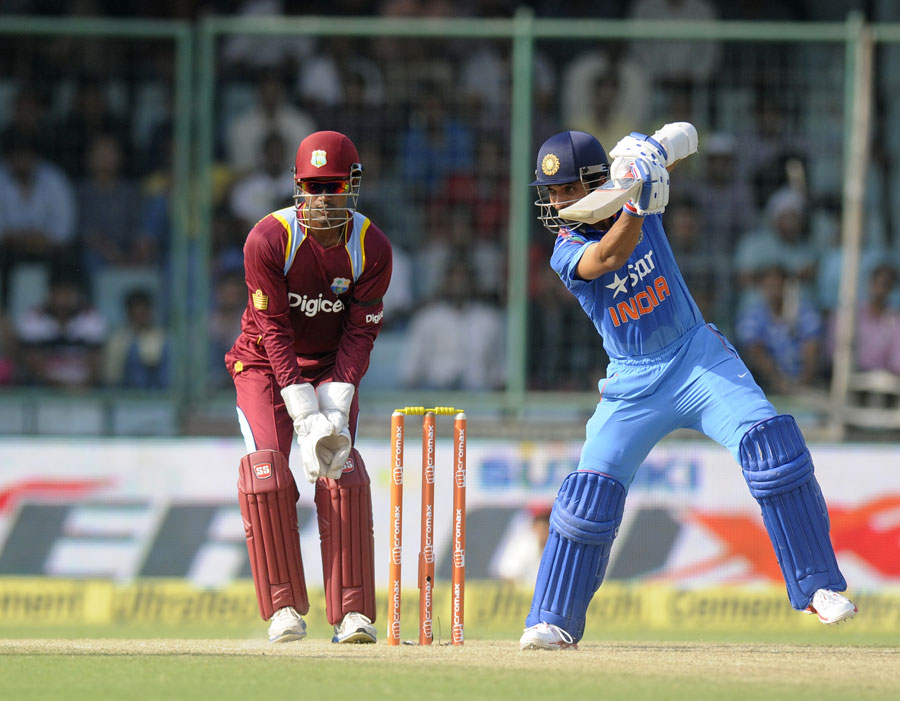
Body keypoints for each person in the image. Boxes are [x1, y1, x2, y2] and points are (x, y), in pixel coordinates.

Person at [519, 126, 857, 651]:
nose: (560, 202)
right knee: (588, 499)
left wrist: (654, 154)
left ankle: (819, 588)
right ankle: (552, 621)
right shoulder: (567, 248)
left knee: (774, 449)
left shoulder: (632, 188)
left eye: (569, 189)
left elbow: (685, 137)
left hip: (696, 357)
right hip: (632, 381)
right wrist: (639, 205)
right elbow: (607, 259)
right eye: (553, 194)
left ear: (596, 181)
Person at [225, 131, 391, 645]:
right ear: (298, 187)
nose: (322, 199)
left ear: (353, 186)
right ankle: (283, 610)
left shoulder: (372, 248)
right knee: (266, 474)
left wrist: (335, 406)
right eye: (313, 187)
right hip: (263, 364)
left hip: (331, 366)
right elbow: (272, 330)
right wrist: (301, 408)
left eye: (333, 186)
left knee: (339, 469)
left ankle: (351, 615)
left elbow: (361, 331)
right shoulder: (268, 239)